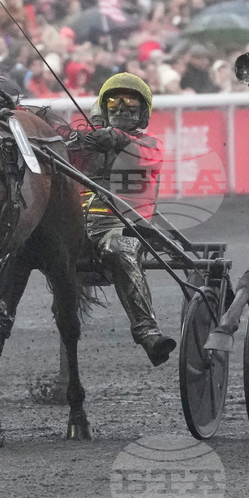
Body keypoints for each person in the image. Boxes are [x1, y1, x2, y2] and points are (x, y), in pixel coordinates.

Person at [73, 73, 176, 365]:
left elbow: (141, 153)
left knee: (121, 248)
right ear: (103, 108)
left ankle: (148, 331)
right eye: (113, 101)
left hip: (126, 228)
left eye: (129, 100)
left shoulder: (151, 144)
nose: (120, 107)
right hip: (76, 228)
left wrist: (117, 138)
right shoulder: (89, 145)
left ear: (142, 110)